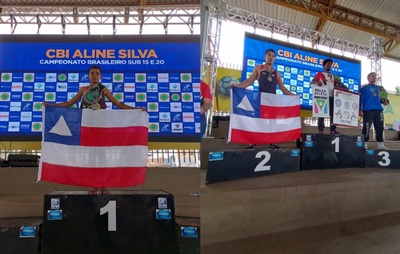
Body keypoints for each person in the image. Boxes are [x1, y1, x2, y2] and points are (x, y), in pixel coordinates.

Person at [43, 65, 145, 195]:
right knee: (91, 158)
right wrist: (51, 105)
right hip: (87, 128)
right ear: (88, 75)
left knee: (102, 157)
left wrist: (136, 110)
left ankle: (103, 186)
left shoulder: (104, 90)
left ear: (101, 76)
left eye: (97, 73)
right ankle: (93, 186)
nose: (95, 75)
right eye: (92, 73)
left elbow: (118, 104)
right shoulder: (83, 90)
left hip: (101, 129)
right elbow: (69, 104)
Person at [230, 48, 296, 149]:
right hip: (260, 100)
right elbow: (249, 81)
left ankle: (273, 141)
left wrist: (294, 96)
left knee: (272, 122)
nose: (271, 58)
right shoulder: (258, 68)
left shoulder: (277, 73)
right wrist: (237, 86)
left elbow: (283, 89)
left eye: (273, 56)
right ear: (265, 56)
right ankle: (252, 142)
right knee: (257, 120)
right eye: (269, 55)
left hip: (272, 102)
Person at [311, 58, 348, 135]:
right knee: (321, 113)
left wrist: (345, 88)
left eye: (330, 64)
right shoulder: (319, 74)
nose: (329, 66)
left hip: (333, 96)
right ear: (324, 65)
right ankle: (321, 129)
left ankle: (333, 130)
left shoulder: (334, 76)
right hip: (323, 96)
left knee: (333, 114)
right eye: (328, 64)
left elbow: (340, 84)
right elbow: (312, 82)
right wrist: (317, 82)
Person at [359, 72, 389, 150]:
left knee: (380, 127)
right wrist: (360, 110)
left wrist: (386, 102)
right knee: (367, 127)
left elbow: (383, 98)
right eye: (372, 76)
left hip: (378, 110)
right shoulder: (363, 88)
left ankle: (380, 144)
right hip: (368, 110)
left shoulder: (380, 88)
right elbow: (360, 100)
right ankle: (365, 143)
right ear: (368, 78)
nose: (374, 77)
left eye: (375, 76)